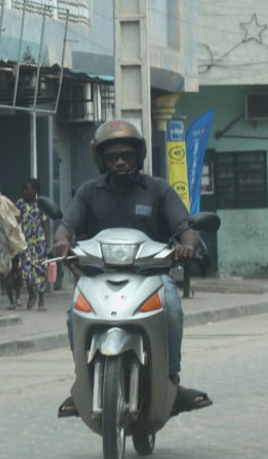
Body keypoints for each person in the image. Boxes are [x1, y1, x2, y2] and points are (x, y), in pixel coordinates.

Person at [53, 120, 211, 417]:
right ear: (102, 160)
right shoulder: (88, 192)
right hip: (98, 277)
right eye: (113, 156)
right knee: (73, 314)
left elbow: (185, 228)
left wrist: (188, 245)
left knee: (173, 307)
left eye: (127, 154)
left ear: (139, 156)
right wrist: (61, 243)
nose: (121, 161)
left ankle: (171, 382)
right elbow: (66, 228)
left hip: (151, 276)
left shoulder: (158, 189)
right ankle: (82, 384)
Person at [15, 178, 50, 311]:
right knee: (25, 271)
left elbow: (45, 224)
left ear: (35, 191)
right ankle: (31, 294)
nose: (24, 192)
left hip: (39, 243)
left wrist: (47, 243)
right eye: (23, 189)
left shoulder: (41, 204)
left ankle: (41, 300)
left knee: (40, 271)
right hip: (25, 243)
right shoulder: (19, 204)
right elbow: (15, 221)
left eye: (27, 190)